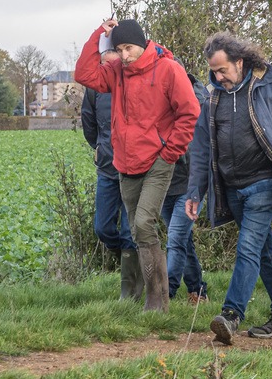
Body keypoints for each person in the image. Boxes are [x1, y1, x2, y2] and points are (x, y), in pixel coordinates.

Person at [185, 32, 272, 344]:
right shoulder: (213, 97)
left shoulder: (270, 84)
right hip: (232, 186)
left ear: (239, 62)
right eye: (213, 72)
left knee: (247, 247)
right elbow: (202, 149)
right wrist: (195, 191)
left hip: (264, 183)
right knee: (263, 249)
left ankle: (231, 315)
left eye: (223, 70)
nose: (218, 77)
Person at [74, 18, 201, 312]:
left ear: (143, 43)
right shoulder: (116, 71)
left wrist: (170, 151)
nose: (125, 55)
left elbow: (189, 112)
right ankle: (152, 297)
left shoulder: (168, 69)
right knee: (135, 229)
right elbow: (84, 74)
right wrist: (98, 35)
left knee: (144, 222)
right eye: (119, 49)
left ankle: (157, 300)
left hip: (159, 160)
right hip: (125, 161)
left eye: (128, 48)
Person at [80, 47, 141, 299]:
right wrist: (97, 146)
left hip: (133, 169)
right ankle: (131, 263)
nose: (106, 68)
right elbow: (88, 120)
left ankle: (131, 292)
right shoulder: (95, 89)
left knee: (130, 231)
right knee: (102, 228)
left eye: (111, 63)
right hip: (106, 167)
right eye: (102, 63)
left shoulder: (133, 83)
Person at [161, 72, 208, 304]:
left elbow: (197, 148)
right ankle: (198, 290)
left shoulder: (197, 102)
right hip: (164, 184)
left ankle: (165, 294)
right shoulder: (159, 102)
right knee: (183, 240)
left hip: (189, 186)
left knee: (176, 238)